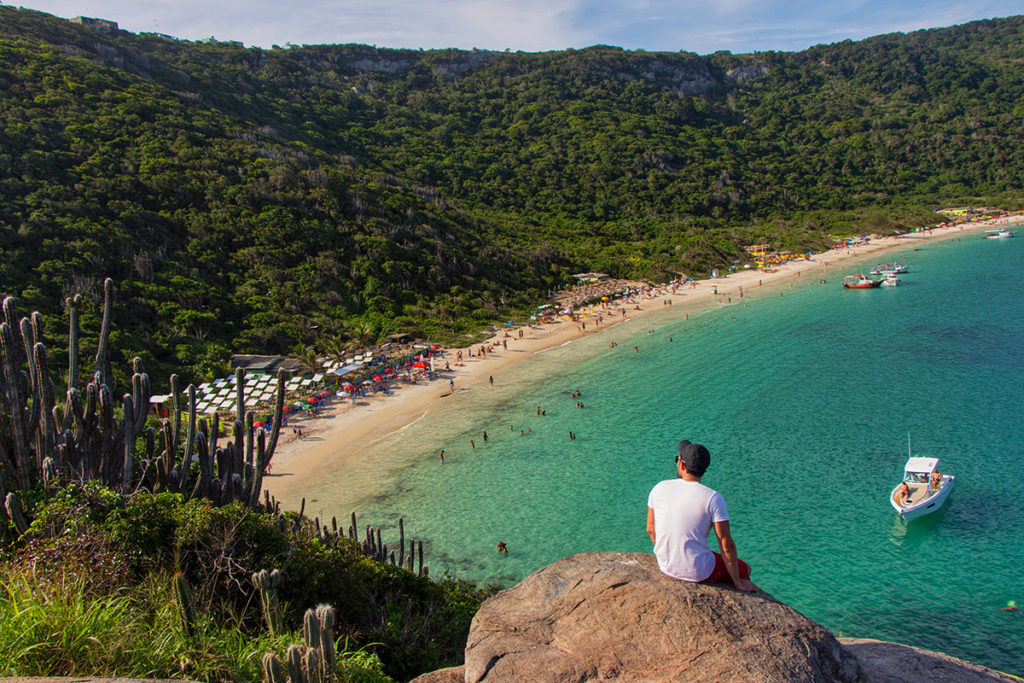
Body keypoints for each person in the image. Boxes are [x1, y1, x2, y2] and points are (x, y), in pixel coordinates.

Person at [646, 440, 757, 591]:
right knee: (746, 569)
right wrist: (738, 582)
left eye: (677, 460)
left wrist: (668, 554)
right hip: (698, 572)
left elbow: (650, 529)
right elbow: (726, 545)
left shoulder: (659, 488)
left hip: (665, 564)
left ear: (682, 465)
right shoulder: (713, 498)